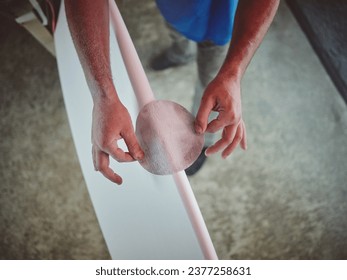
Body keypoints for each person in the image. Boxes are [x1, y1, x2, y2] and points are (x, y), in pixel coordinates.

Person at [64, 0, 280, 185]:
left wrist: (234, 71)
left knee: (212, 90)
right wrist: (103, 95)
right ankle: (181, 54)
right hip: (174, 10)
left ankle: (204, 140)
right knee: (176, 32)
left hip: (220, 24)